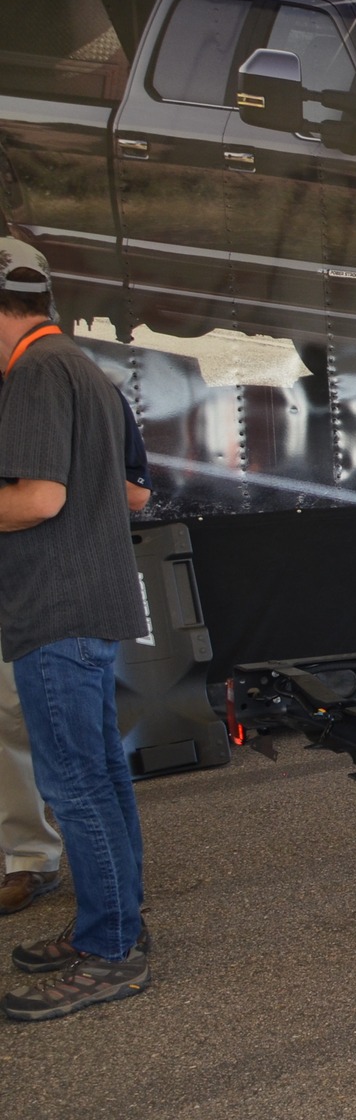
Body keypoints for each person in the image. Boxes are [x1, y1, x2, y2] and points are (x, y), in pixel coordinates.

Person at [0, 238, 151, 1021]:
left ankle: (109, 951)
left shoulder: (31, 373)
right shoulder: (82, 368)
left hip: (55, 609)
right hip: (92, 605)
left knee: (75, 786)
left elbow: (38, 500)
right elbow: (132, 494)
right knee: (100, 778)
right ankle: (118, 925)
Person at [0, 372, 150, 918]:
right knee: (87, 765)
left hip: (50, 597)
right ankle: (110, 908)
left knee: (75, 776)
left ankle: (110, 932)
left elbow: (127, 493)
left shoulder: (41, 381)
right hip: (58, 597)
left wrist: (56, 491)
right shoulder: (81, 376)